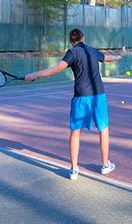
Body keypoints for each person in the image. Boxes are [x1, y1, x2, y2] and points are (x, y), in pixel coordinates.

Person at [25, 28, 122, 180]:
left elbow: (57, 69)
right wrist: (116, 58)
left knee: (75, 132)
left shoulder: (72, 53)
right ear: (83, 38)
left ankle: (74, 169)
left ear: (71, 41)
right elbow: (106, 57)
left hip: (81, 97)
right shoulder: (92, 50)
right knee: (104, 129)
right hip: (98, 96)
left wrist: (33, 75)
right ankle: (105, 165)